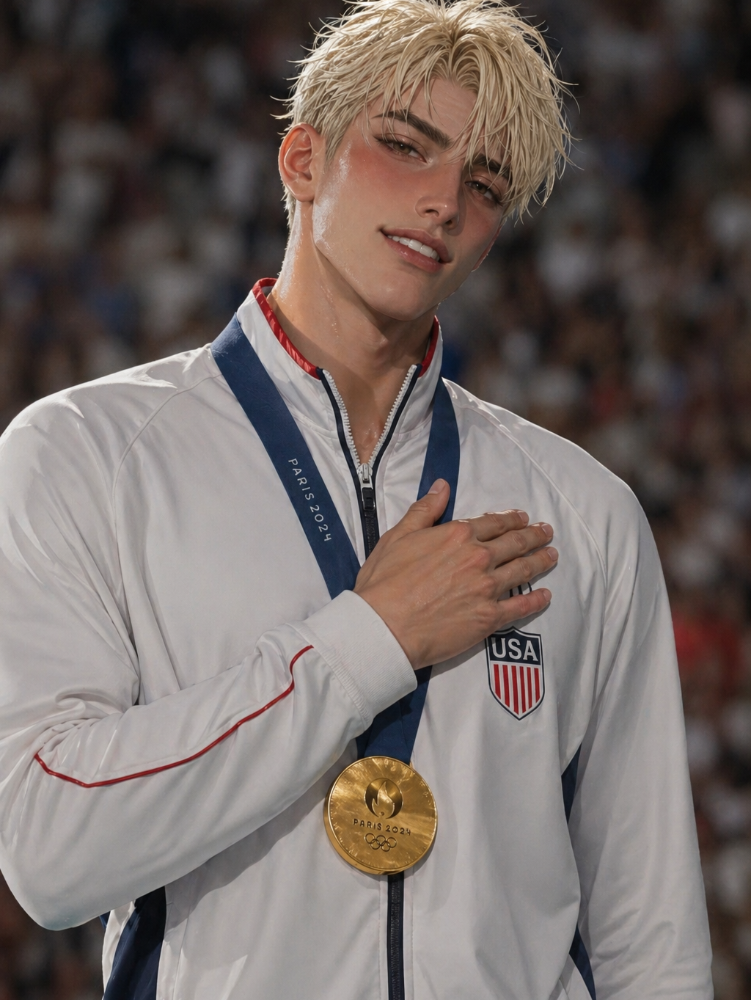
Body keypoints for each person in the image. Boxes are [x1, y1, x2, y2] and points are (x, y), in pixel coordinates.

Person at [0, 0, 711, 997]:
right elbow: (49, 851)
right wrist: (367, 640)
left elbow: (650, 935)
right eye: (405, 147)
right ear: (302, 160)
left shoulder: (582, 512)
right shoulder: (86, 454)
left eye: (483, 184)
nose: (443, 202)